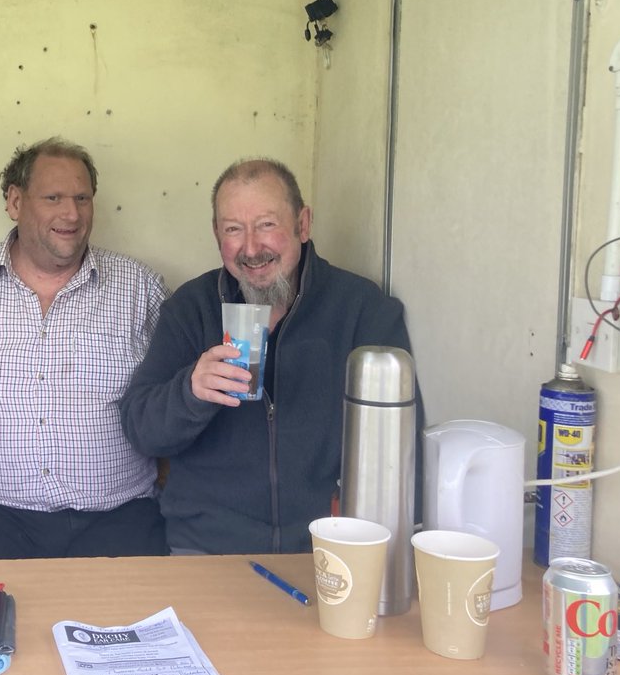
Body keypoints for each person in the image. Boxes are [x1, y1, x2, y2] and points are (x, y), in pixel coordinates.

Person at [118, 158, 421, 554]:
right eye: (233, 229)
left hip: (328, 548)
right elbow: (141, 429)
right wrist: (191, 391)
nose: (251, 248)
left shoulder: (362, 310)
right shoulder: (191, 309)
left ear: (303, 224)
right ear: (216, 234)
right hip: (206, 549)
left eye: (266, 225)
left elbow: (402, 446)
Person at [0, 137, 169, 559]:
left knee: (138, 622)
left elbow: (171, 397)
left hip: (120, 513)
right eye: (53, 197)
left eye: (82, 198)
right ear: (15, 201)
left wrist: (169, 478)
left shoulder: (141, 288)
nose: (71, 214)